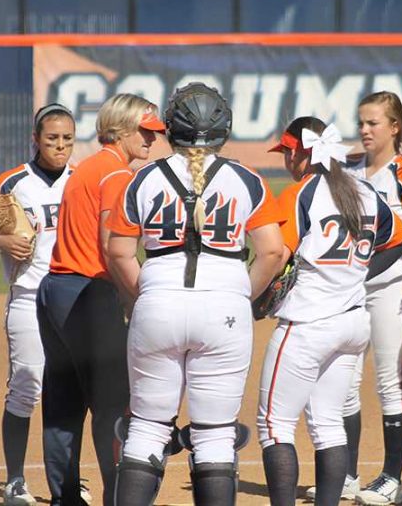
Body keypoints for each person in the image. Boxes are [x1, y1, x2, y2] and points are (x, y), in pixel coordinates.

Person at [106, 82, 285, 505]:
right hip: (224, 307)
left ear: (171, 128)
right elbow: (273, 251)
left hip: (158, 303)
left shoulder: (142, 179)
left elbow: (118, 251)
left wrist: (142, 296)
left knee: (147, 427)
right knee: (215, 435)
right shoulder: (247, 180)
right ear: (224, 128)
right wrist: (244, 295)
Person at [257, 117, 402, 506]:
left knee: (275, 426)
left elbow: (276, 257)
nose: (286, 160)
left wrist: (250, 298)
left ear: (301, 153)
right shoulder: (363, 191)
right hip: (351, 322)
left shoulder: (300, 194)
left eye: (287, 153)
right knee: (329, 426)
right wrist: (361, 273)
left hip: (307, 325)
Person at [36, 94, 165, 505]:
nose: (153, 139)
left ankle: (65, 499)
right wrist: (138, 296)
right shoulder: (116, 176)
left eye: (155, 132)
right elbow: (113, 248)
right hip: (90, 295)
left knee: (63, 405)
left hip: (55, 290)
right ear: (121, 129)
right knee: (113, 407)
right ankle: (116, 498)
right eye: (145, 131)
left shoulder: (88, 168)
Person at [327, 92, 402, 505]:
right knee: (346, 383)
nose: (365, 130)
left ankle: (392, 479)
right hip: (354, 287)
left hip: (396, 285)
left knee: (390, 381)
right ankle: (348, 476)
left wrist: (396, 232)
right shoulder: (349, 168)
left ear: (395, 127)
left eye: (374, 123)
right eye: (361, 123)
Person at [0, 103, 75, 505]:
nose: (60, 145)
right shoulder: (13, 181)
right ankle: (15, 479)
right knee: (26, 387)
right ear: (36, 139)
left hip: (71, 295)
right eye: (52, 138)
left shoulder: (81, 181)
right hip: (28, 296)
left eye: (67, 138)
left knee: (69, 390)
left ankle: (68, 478)